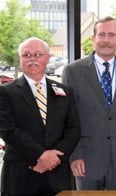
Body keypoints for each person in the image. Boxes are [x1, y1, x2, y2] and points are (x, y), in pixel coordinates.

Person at [62, 16, 116, 190]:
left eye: (111, 35)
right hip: (85, 159)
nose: (106, 40)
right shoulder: (73, 71)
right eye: (101, 35)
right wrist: (75, 155)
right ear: (93, 39)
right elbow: (67, 118)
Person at [0, 37, 81, 195]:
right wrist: (41, 156)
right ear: (20, 59)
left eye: (37, 54)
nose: (32, 59)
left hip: (58, 175)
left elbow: (73, 129)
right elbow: (8, 130)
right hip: (21, 174)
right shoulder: (5, 92)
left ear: (48, 58)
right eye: (26, 55)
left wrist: (53, 159)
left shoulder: (65, 91)